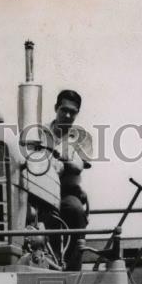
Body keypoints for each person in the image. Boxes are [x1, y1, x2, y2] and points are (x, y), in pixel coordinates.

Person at [48, 89, 90, 270]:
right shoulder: (39, 132)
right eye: (63, 109)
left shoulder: (83, 137)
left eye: (72, 112)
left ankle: (73, 272)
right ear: (56, 108)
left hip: (67, 193)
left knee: (75, 211)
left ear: (77, 113)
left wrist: (58, 158)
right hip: (41, 191)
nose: (67, 115)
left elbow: (78, 166)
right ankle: (48, 266)